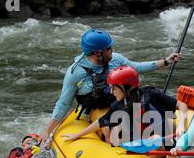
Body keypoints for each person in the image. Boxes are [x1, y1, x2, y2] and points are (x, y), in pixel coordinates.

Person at [40, 28, 181, 143]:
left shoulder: (115, 59)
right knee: (108, 129)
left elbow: (136, 67)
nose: (112, 50)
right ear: (97, 53)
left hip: (121, 102)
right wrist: (47, 131)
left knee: (148, 117)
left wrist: (165, 61)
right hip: (97, 108)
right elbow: (63, 103)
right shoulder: (75, 73)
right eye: (108, 49)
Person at [61, 66, 188, 148]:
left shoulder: (151, 94)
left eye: (114, 88)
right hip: (145, 143)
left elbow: (181, 105)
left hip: (167, 140)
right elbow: (101, 122)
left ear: (126, 87)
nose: (111, 92)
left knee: (155, 139)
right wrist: (76, 135)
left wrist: (182, 124)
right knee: (116, 135)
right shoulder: (119, 105)